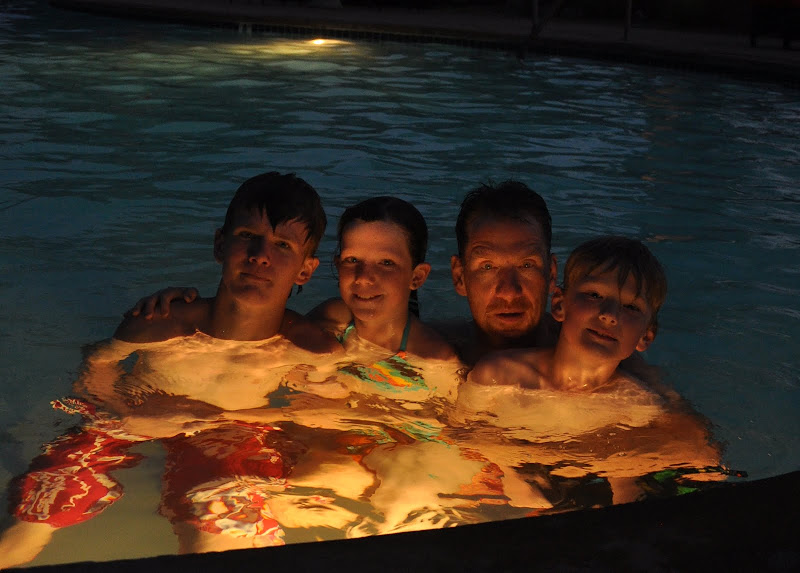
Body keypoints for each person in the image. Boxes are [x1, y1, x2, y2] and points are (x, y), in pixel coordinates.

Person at [0, 172, 341, 568]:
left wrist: (221, 420)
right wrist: (126, 411)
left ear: (305, 270)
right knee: (29, 522)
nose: (260, 255)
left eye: (282, 245)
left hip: (231, 436)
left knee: (215, 543)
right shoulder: (162, 322)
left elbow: (326, 414)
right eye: (248, 235)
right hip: (130, 419)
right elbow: (97, 368)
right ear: (220, 244)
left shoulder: (309, 348)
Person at [454, 236, 724, 505]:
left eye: (630, 307)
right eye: (594, 295)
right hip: (515, 482)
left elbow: (693, 457)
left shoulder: (636, 404)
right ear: (560, 304)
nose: (610, 314)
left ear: (645, 336)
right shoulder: (498, 375)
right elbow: (463, 436)